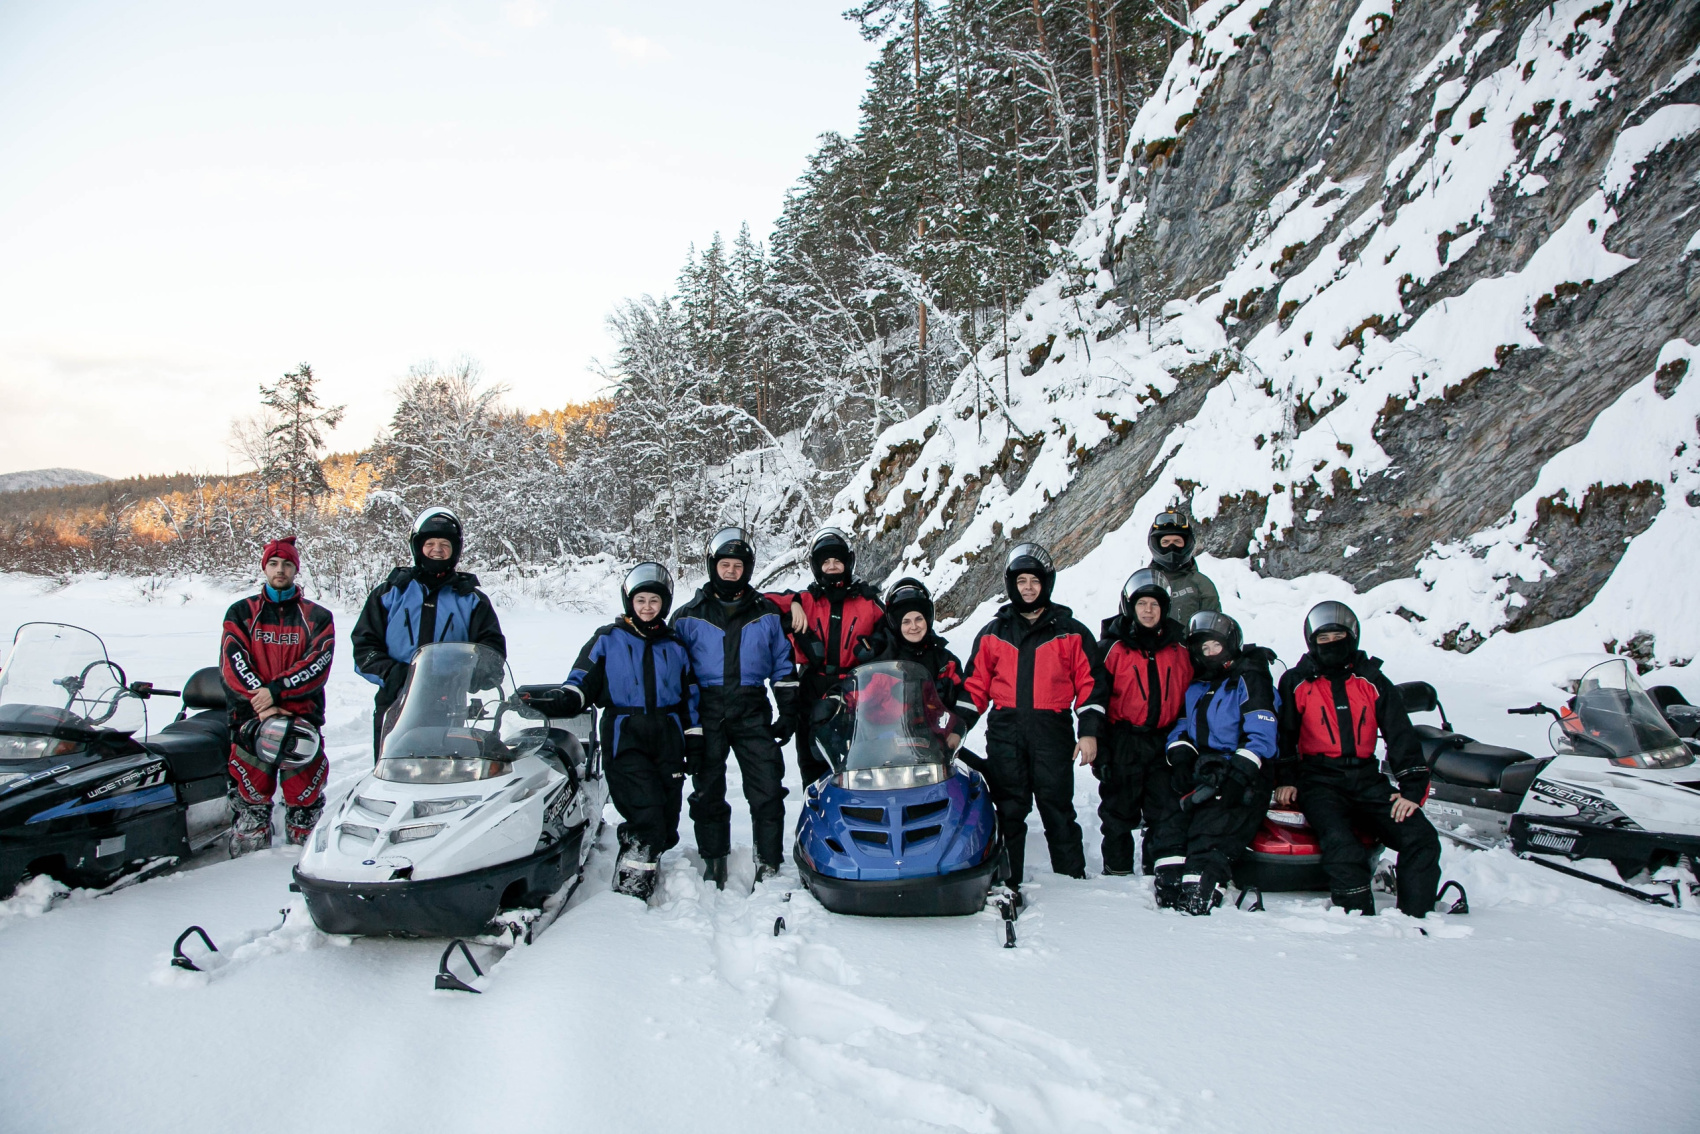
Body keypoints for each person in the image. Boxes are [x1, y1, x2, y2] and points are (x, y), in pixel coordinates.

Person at [544, 563, 702, 901]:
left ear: (665, 604)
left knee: (666, 814)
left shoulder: (675, 645)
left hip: (668, 733)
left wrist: (694, 735)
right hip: (624, 732)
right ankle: (630, 891)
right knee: (644, 813)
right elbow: (581, 678)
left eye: (654, 601)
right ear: (629, 602)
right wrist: (567, 697)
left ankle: (647, 859)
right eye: (640, 600)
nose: (647, 607)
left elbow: (691, 694)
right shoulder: (608, 638)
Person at [1274, 601, 1442, 917]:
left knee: (1421, 837)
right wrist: (1286, 779)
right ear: (1312, 641)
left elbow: (1400, 735)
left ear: (1351, 636)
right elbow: (1284, 736)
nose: (1331, 644)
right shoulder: (1297, 681)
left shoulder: (1372, 681)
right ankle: (1357, 917)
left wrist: (1411, 789)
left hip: (1367, 778)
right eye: (1323, 639)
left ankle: (1416, 915)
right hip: (1319, 779)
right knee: (1341, 843)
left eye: (1338, 636)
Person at [961, 543, 1107, 899]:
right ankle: (1008, 880)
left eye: (1034, 581)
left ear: (1047, 584)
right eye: (1021, 581)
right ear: (1012, 586)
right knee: (1009, 808)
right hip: (1006, 730)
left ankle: (1072, 880)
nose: (1028, 588)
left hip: (1052, 730)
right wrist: (955, 730)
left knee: (1057, 806)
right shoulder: (994, 633)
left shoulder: (1070, 632)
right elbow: (975, 687)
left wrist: (1088, 733)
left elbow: (1091, 687)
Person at [671, 527, 801, 887]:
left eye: (738, 565)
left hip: (751, 706)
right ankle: (714, 859)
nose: (731, 571)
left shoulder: (766, 613)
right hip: (706, 709)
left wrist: (788, 710)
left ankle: (768, 860)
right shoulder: (687, 616)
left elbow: (782, 663)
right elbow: (675, 671)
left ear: (748, 568)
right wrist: (684, 723)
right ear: (713, 566)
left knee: (767, 787)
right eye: (724, 564)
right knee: (708, 788)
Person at [352, 508, 505, 760]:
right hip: (397, 698)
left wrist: (478, 672)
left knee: (444, 770)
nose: (437, 549)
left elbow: (492, 647)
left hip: (448, 698)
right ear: (417, 547)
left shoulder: (471, 599)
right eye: (430, 543)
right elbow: (364, 646)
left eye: (445, 544)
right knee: (393, 766)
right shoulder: (390, 593)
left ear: (455, 550)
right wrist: (393, 674)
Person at [219, 536, 336, 855]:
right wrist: (261, 700)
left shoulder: (317, 616)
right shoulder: (242, 612)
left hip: (301, 715)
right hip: (250, 715)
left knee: (304, 787)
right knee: (250, 785)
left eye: (287, 563)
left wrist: (276, 692)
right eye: (273, 563)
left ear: (296, 569)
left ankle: (304, 835)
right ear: (265, 568)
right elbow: (233, 659)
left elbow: (317, 663)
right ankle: (251, 832)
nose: (280, 569)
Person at [1163, 612, 1278, 914]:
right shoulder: (1198, 686)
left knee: (1210, 834)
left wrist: (1241, 772)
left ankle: (1202, 890)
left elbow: (1263, 732)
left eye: (1216, 646)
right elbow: (1182, 726)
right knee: (1169, 831)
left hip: (1244, 775)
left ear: (1230, 644)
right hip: (1208, 770)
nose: (1211, 654)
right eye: (1204, 650)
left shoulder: (1250, 678)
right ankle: (1168, 891)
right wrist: (1181, 755)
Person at [764, 527, 884, 785]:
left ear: (847, 563)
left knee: (856, 763)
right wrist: (793, 600)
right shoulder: (807, 600)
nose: (831, 566)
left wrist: (875, 642)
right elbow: (760, 601)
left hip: (855, 689)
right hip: (811, 689)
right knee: (812, 760)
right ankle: (815, 807)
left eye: (837, 561)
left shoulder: (867, 602)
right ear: (817, 567)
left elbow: (895, 630)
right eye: (826, 562)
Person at [1095, 569, 1192, 879]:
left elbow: (1207, 676)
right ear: (1130, 607)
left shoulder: (1180, 648)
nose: (1148, 611)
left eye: (1154, 604)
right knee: (1118, 811)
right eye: (1142, 604)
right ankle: (1118, 872)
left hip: (1164, 739)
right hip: (1123, 737)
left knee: (1165, 809)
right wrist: (1100, 749)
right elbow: (1094, 700)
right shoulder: (1112, 648)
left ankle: (1159, 871)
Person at [853, 576, 973, 749]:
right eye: (906, 621)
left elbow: (967, 696)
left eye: (919, 619)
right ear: (896, 623)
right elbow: (858, 697)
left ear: (928, 619)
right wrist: (835, 703)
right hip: (882, 747)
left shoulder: (944, 660)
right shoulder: (882, 658)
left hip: (933, 744)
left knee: (978, 774)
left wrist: (957, 729)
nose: (914, 627)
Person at [1146, 509, 1221, 627]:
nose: (1171, 546)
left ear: (1187, 544)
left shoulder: (1201, 584)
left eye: (1177, 541)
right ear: (1156, 544)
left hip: (1190, 645)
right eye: (1165, 542)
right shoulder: (1142, 583)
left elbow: (1213, 629)